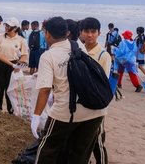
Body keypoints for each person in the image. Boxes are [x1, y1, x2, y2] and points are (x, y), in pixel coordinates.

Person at [32, 17, 105, 164]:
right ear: (66, 33)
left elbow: (45, 90)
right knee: (79, 154)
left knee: (47, 148)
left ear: (47, 34)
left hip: (67, 110)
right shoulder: (78, 46)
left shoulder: (48, 56)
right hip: (96, 110)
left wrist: (36, 116)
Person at [79, 17, 112, 164]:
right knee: (81, 140)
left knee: (97, 140)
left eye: (93, 31)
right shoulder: (77, 51)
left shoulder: (103, 55)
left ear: (99, 33)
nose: (90, 35)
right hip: (80, 104)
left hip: (96, 105)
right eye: (86, 31)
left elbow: (102, 83)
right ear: (81, 32)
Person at [0, 17, 29, 113]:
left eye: (9, 26)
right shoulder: (0, 37)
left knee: (11, 89)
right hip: (0, 64)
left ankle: (11, 110)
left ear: (15, 28)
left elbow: (25, 55)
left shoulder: (21, 40)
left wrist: (19, 64)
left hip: (13, 66)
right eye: (6, 25)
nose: (6, 27)